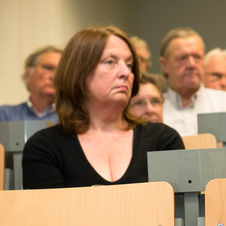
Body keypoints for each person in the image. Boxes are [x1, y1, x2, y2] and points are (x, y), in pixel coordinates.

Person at [22, 26, 184, 189]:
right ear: (78, 72)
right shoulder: (45, 147)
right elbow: (50, 213)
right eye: (110, 62)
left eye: (129, 64)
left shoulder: (163, 140)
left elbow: (176, 210)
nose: (125, 73)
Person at [159, 27, 226, 136]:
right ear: (164, 64)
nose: (191, 64)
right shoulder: (153, 110)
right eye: (183, 58)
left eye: (197, 57)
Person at [0, 45, 62, 122]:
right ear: (28, 75)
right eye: (48, 68)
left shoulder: (73, 118)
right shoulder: (6, 115)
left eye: (61, 70)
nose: (54, 76)